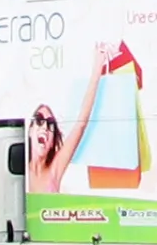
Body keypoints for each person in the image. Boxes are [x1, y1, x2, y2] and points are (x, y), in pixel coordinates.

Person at [26, 43, 112, 195]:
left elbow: (80, 124)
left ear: (52, 142)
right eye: (39, 120)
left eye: (50, 124)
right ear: (30, 130)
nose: (44, 127)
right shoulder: (20, 171)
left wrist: (97, 68)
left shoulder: (54, 169)